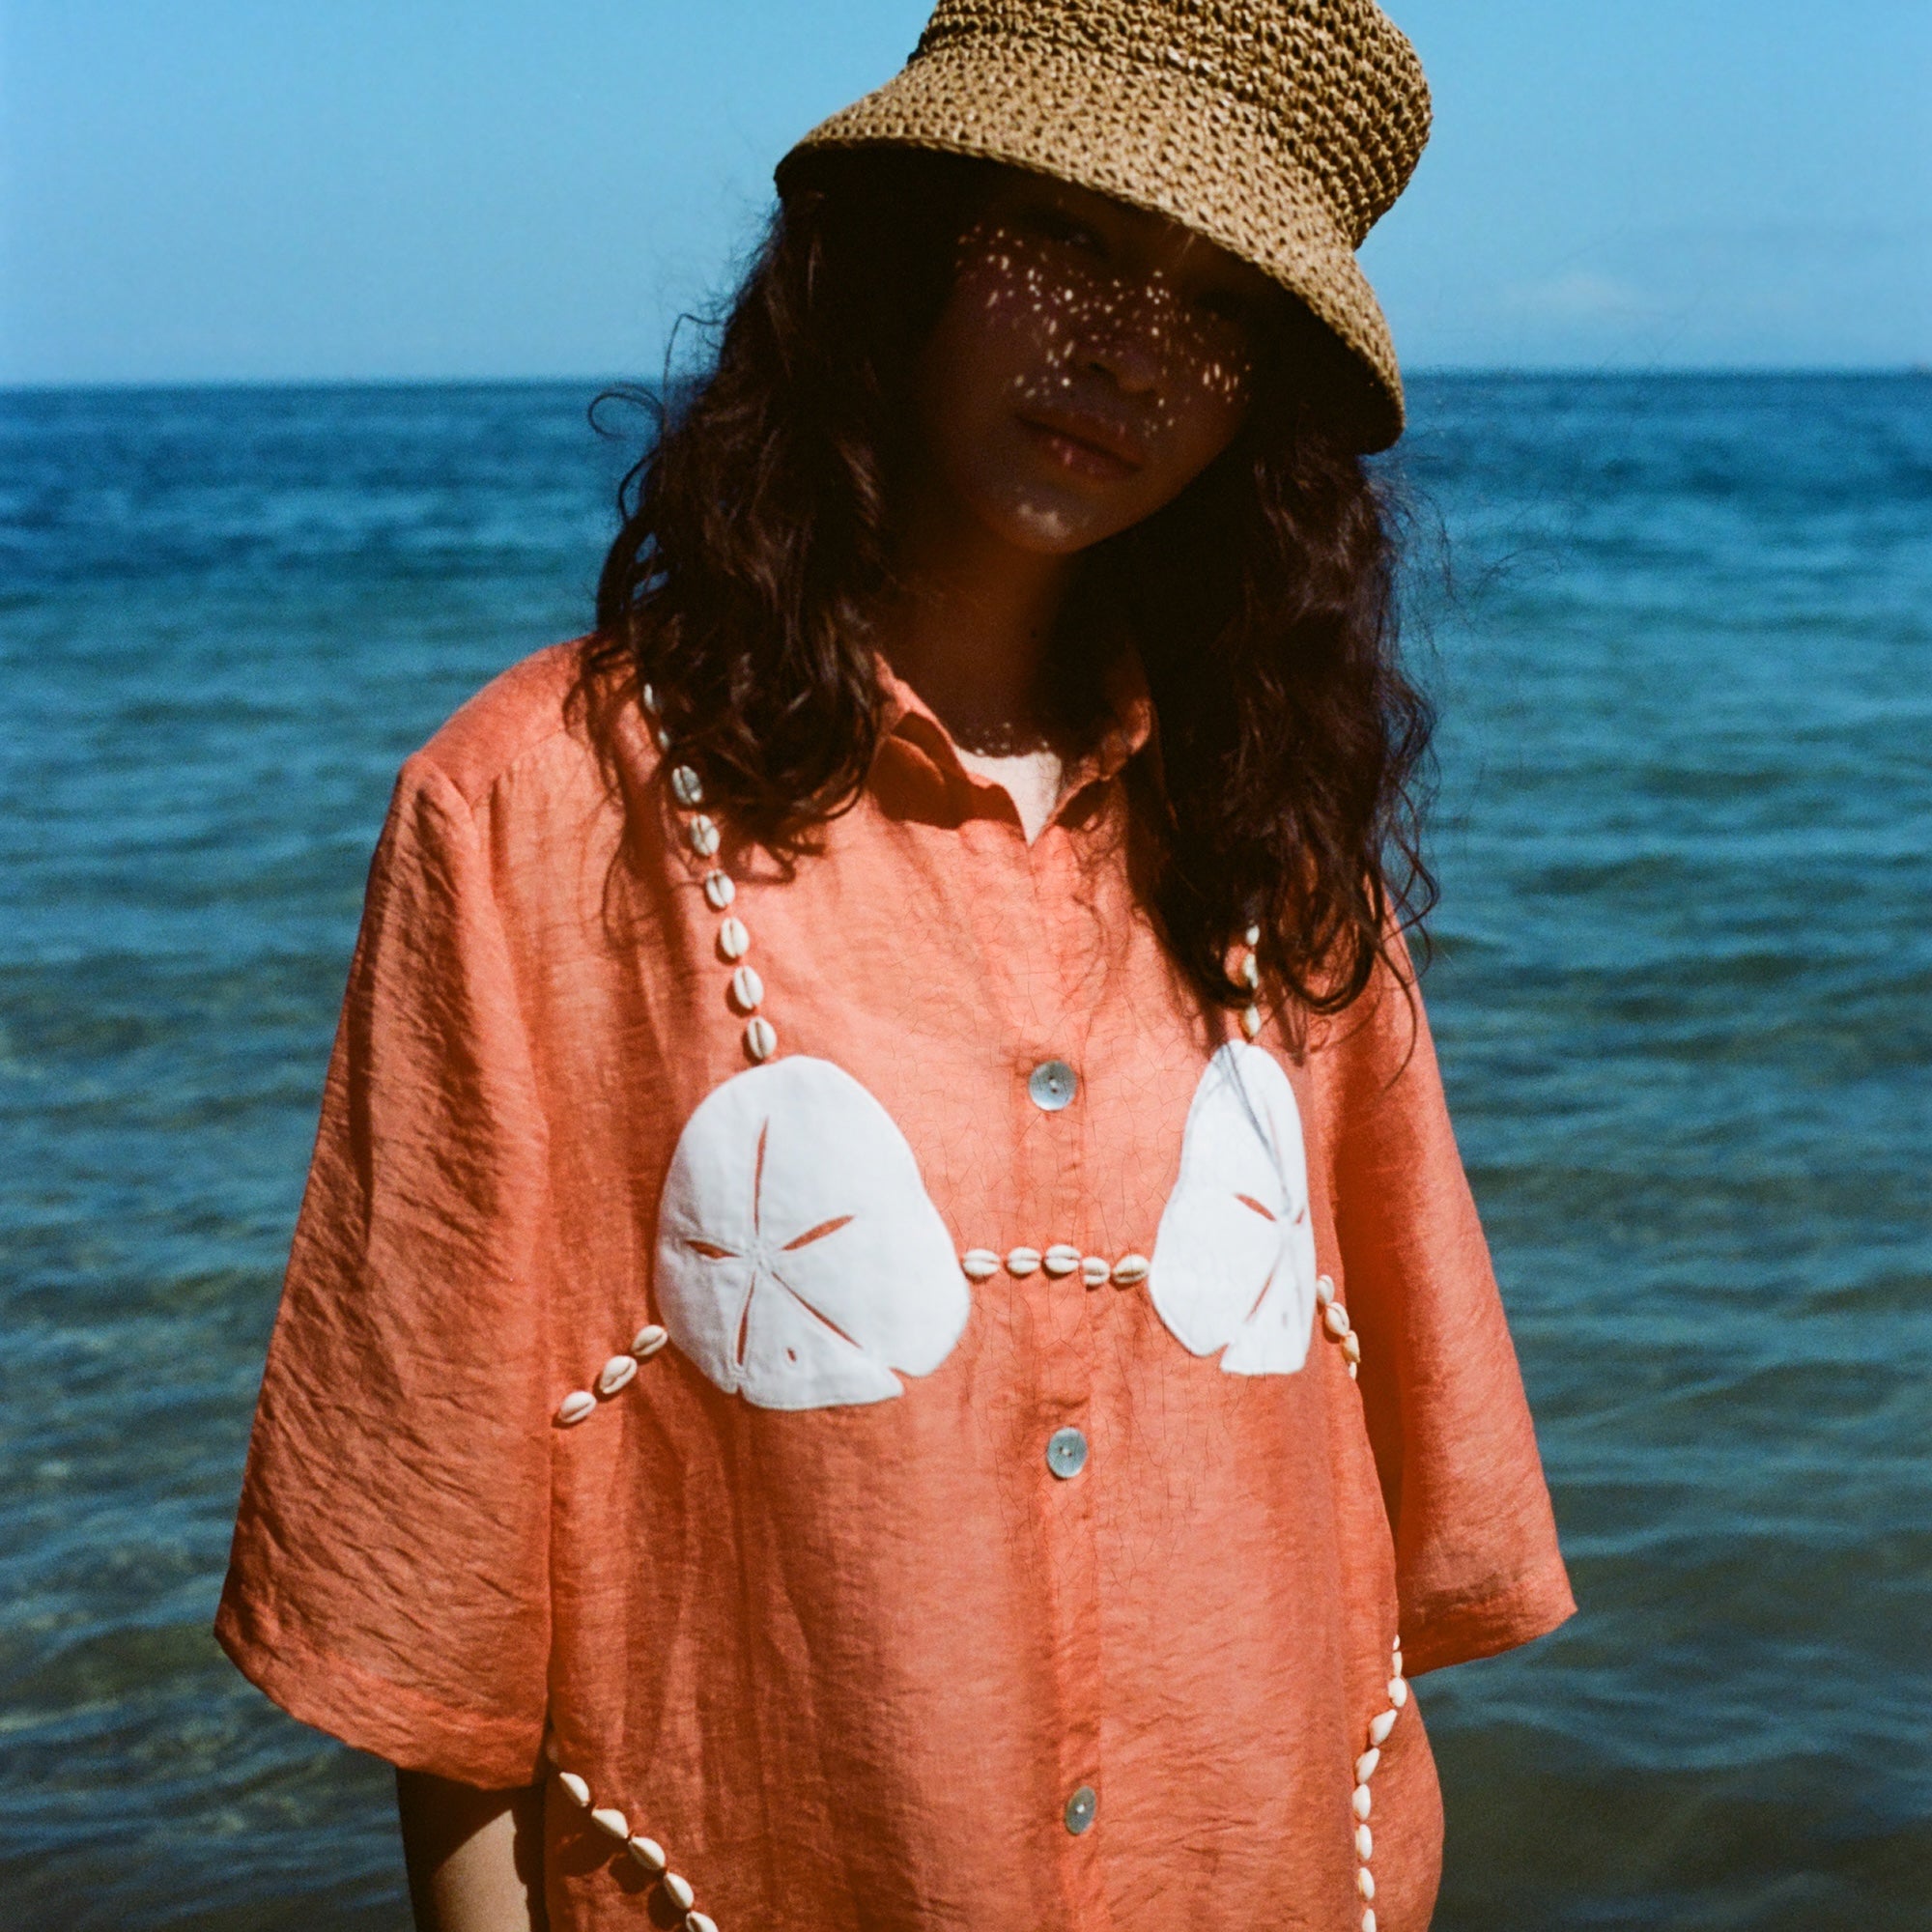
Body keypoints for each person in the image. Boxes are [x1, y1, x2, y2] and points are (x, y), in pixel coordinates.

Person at [216, 3, 1575, 1928]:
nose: (1130, 341)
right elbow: (434, 1559)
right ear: (909, 241)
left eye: (1214, 298)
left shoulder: (1266, 846)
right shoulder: (537, 808)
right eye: (1074, 240)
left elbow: (1384, 1504)